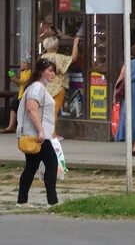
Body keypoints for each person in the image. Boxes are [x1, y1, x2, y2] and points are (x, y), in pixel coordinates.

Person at [16, 58, 60, 207]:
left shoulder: (38, 87)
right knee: (52, 163)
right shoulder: (37, 87)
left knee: (31, 166)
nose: (52, 74)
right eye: (50, 70)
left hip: (37, 134)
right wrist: (41, 130)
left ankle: (22, 200)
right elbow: (31, 108)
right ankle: (52, 201)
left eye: (53, 71)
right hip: (38, 136)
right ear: (41, 71)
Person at [40, 31, 80, 125]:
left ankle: (44, 131)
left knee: (45, 111)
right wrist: (75, 44)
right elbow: (73, 58)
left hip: (45, 87)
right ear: (57, 47)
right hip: (58, 87)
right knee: (54, 110)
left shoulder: (42, 57)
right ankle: (53, 134)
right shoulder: (59, 57)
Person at [3, 59, 31, 133]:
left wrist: (15, 79)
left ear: (27, 64)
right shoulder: (22, 72)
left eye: (23, 63)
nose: (21, 64)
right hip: (20, 94)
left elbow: (25, 83)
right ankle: (11, 126)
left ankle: (21, 127)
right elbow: (19, 84)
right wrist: (14, 79)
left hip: (27, 94)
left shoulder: (30, 72)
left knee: (22, 110)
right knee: (13, 103)